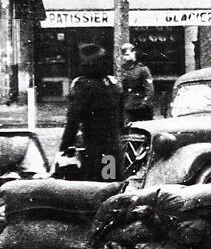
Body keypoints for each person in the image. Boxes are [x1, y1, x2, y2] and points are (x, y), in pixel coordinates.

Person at [59, 44, 123, 182]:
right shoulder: (112, 84)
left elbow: (73, 120)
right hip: (113, 145)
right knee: (111, 181)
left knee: (96, 186)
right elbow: (121, 117)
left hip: (93, 146)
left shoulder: (83, 86)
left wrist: (65, 146)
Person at [119, 43, 155, 123]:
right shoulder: (122, 70)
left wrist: (144, 103)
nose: (125, 57)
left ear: (134, 53)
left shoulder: (143, 69)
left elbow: (150, 90)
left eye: (128, 54)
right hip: (128, 106)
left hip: (141, 107)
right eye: (124, 55)